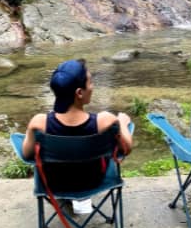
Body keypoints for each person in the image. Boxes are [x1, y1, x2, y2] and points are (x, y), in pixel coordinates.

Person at [22, 59, 132, 200]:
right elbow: (127, 148)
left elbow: (26, 154)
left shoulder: (39, 123)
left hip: (54, 184)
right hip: (94, 182)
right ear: (79, 93)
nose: (92, 87)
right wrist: (122, 122)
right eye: (90, 82)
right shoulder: (106, 121)